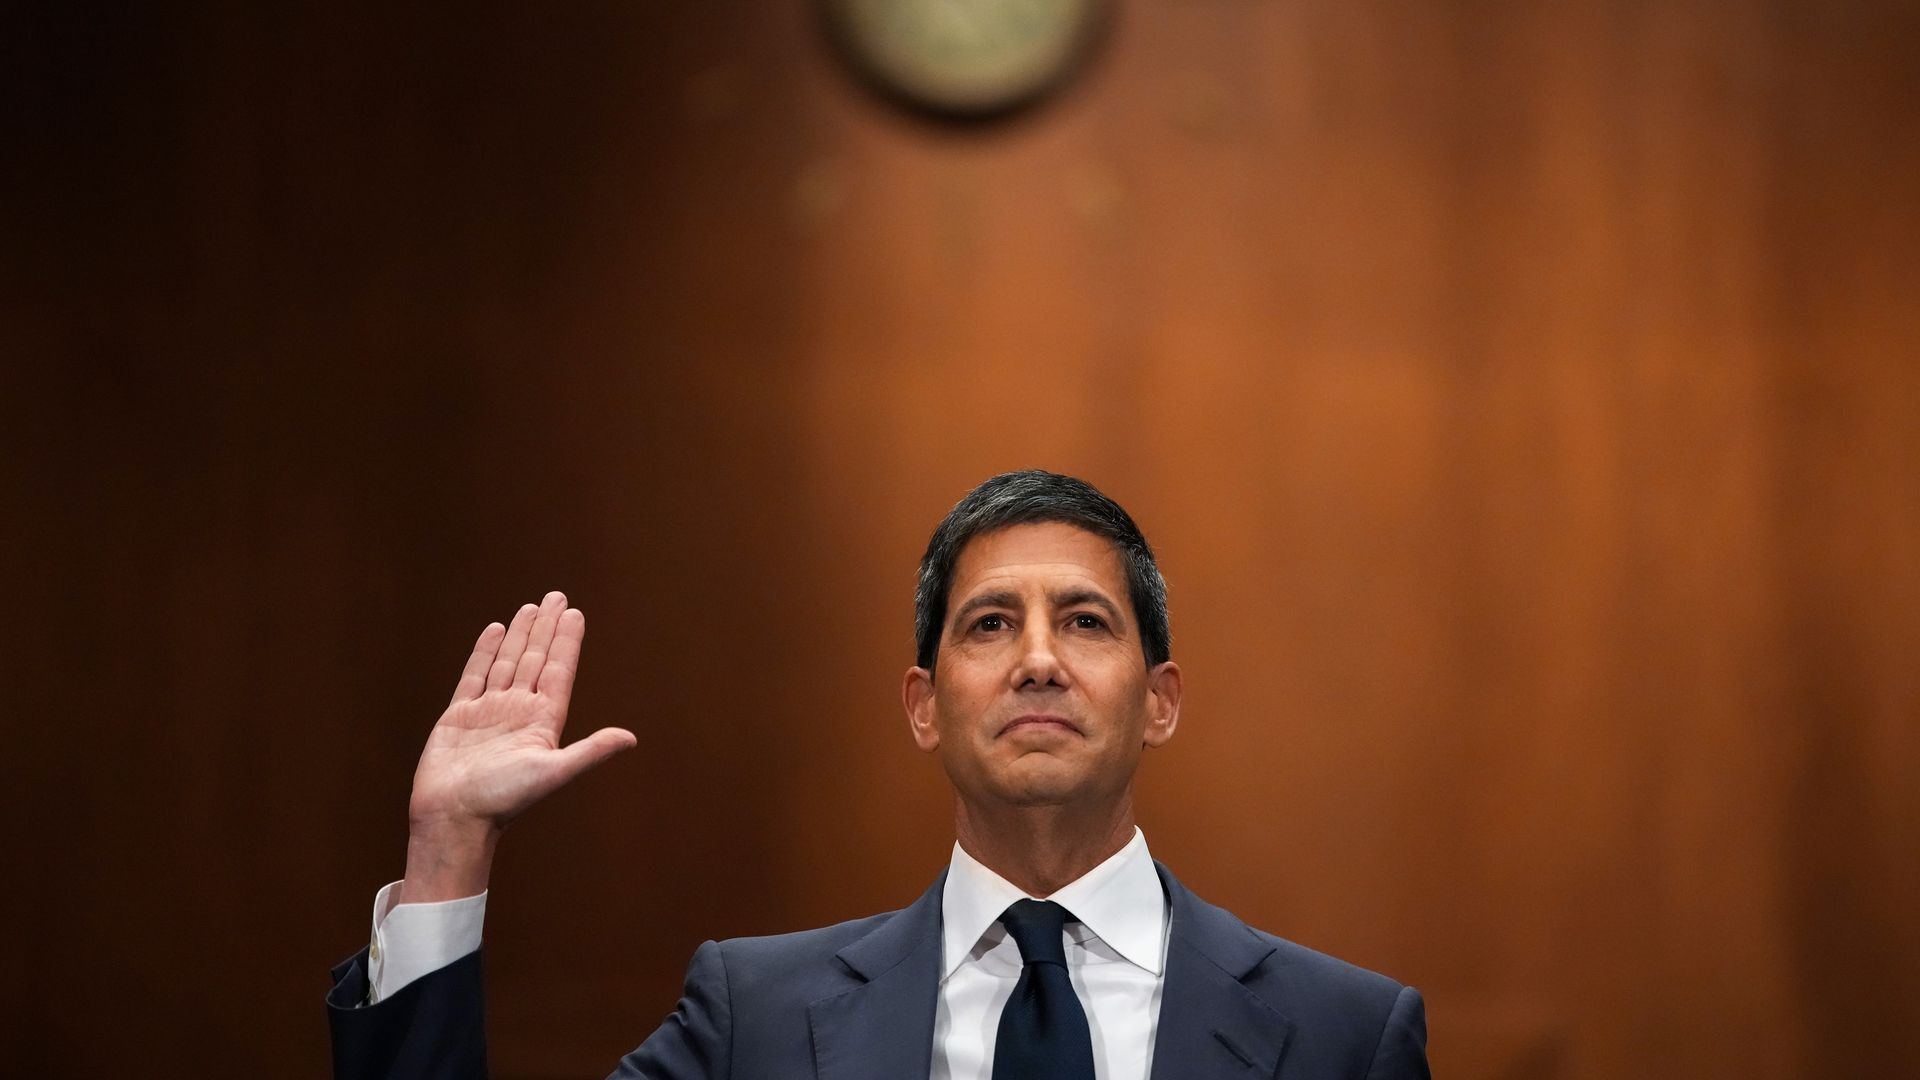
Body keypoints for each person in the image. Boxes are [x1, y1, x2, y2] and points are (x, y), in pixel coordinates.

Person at [327, 470, 1430, 1079]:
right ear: (922, 707)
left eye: (1086, 622)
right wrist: (446, 854)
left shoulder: (1343, 1036)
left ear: (1159, 701)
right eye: (990, 624)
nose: (1038, 659)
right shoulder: (752, 1019)